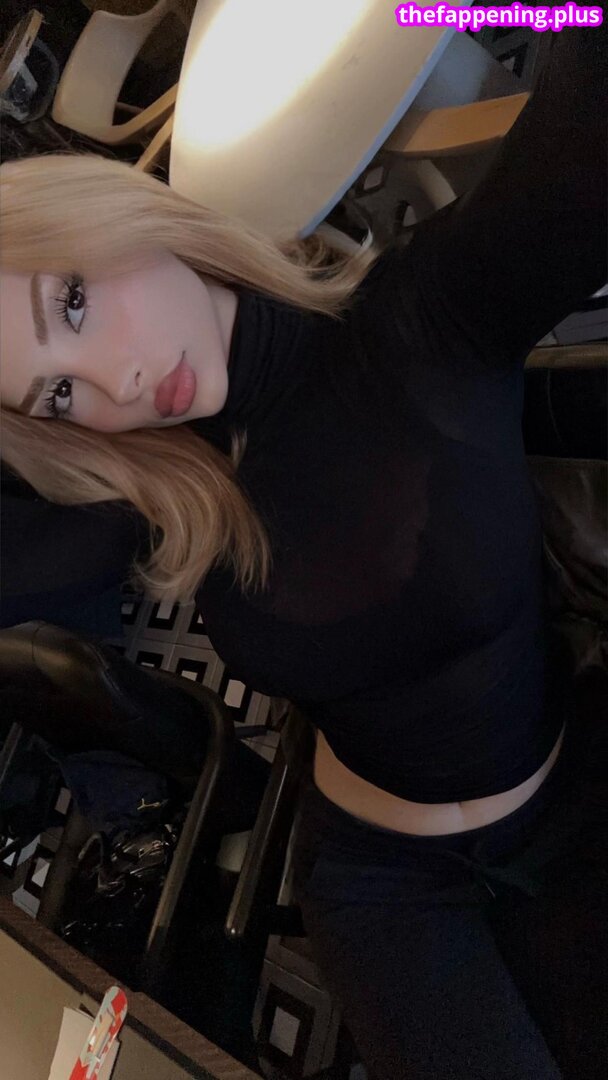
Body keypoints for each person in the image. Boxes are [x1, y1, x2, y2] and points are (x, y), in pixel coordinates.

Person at [1, 10, 606, 1078]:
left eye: (76, 304)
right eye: (57, 393)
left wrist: (456, 9)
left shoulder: (425, 321)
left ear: (119, 213)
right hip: (381, 882)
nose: (115, 385)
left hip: (569, 786)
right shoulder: (167, 475)